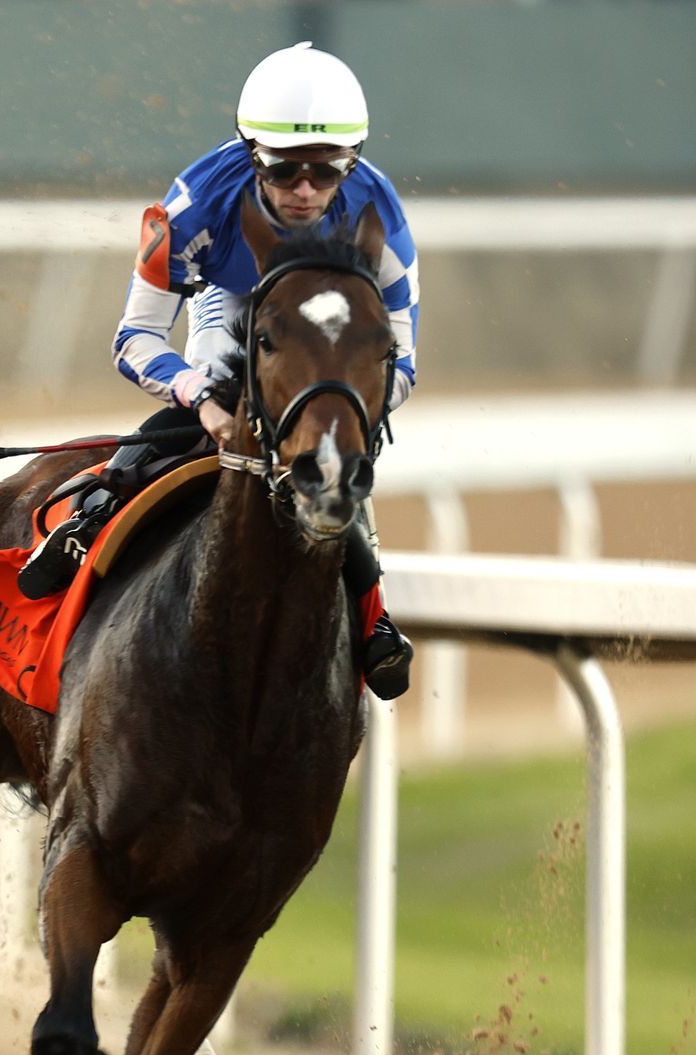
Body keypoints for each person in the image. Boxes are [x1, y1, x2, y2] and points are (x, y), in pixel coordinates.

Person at [21, 42, 416, 699]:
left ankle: (372, 612)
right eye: (284, 171)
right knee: (203, 417)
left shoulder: (382, 219)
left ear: (354, 162)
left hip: (325, 331)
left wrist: (329, 421)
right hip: (230, 297)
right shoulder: (194, 209)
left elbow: (400, 361)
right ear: (249, 152)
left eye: (328, 171)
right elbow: (136, 336)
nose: (307, 191)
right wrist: (204, 400)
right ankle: (93, 512)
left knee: (334, 462)